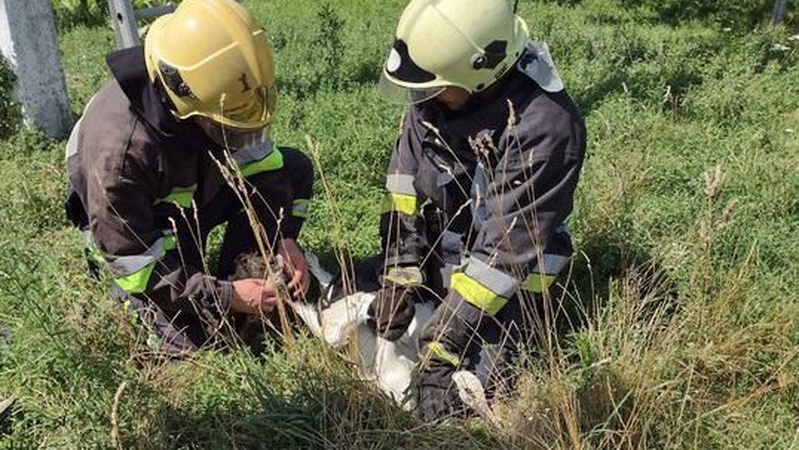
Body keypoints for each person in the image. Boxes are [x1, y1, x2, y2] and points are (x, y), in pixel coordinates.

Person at [367, 0, 587, 421]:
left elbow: (502, 258)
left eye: (433, 89)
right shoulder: (438, 94)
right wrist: (397, 276)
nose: (422, 99)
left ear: (482, 72)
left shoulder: (545, 130)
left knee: (463, 396)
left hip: (508, 282)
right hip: (451, 249)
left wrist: (439, 349)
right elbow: (402, 190)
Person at [64, 0, 313, 356]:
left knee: (295, 169)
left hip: (192, 188)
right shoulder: (120, 156)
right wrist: (228, 297)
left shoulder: (217, 93)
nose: (237, 135)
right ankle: (211, 298)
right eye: (226, 125)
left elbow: (265, 168)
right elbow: (138, 265)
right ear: (183, 104)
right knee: (202, 346)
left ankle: (243, 277)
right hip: (142, 231)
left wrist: (283, 237)